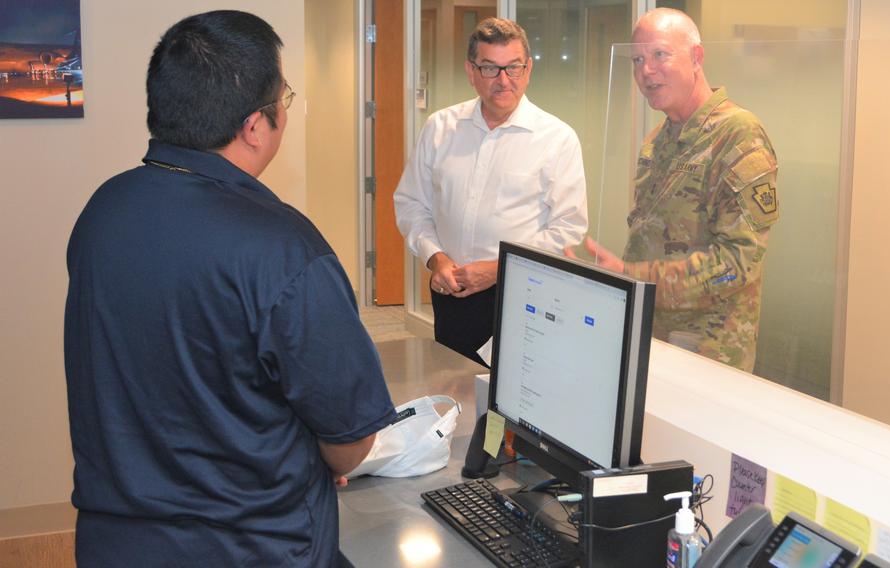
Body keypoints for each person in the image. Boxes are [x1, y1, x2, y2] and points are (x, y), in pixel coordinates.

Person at [64, 11, 396, 567]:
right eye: (283, 98)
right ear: (254, 125)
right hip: (252, 548)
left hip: (115, 546)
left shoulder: (103, 210)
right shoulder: (286, 249)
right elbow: (350, 443)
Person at [567, 8, 778, 373]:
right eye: (637, 60)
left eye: (660, 54)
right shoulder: (657, 142)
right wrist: (616, 278)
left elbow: (738, 265)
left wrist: (635, 276)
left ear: (696, 57)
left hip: (709, 354)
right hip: (650, 339)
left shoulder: (738, 136)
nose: (646, 71)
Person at [394, 17, 588, 366]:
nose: (503, 80)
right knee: (454, 387)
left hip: (522, 296)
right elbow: (411, 204)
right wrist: (435, 257)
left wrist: (499, 268)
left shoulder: (557, 139)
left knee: (511, 405)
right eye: (490, 68)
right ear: (471, 71)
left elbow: (567, 229)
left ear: (528, 69)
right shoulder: (440, 127)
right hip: (451, 290)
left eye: (513, 67)